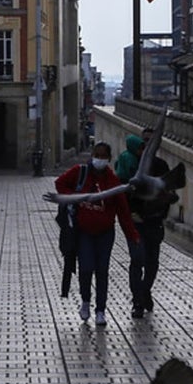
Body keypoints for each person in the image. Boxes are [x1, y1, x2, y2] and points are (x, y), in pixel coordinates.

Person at [53, 141, 140, 326]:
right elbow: (59, 183)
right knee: (86, 268)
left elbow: (123, 212)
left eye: (103, 156)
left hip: (105, 233)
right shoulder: (81, 172)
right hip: (84, 232)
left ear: (108, 159)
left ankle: (100, 310)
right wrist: (75, 198)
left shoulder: (112, 181)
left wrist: (132, 235)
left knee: (102, 271)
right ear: (92, 154)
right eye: (97, 155)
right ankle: (85, 301)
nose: (99, 159)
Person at [119, 128, 179, 318]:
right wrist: (131, 213)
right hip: (136, 222)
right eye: (144, 142)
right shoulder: (130, 165)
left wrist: (165, 204)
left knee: (152, 263)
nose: (147, 146)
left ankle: (145, 291)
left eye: (150, 142)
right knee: (137, 260)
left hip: (154, 222)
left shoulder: (161, 165)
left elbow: (171, 192)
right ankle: (137, 302)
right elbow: (121, 192)